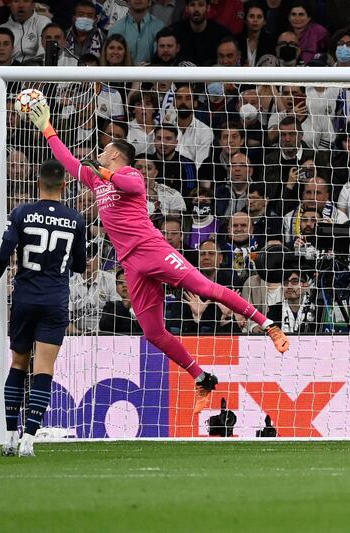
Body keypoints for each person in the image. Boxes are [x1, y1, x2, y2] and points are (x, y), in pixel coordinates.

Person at [28, 101, 290, 415]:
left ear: (115, 154)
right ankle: (202, 376)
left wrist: (100, 170)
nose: (99, 153)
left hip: (154, 250)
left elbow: (124, 183)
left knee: (207, 288)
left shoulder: (130, 175)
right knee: (152, 332)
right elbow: (68, 161)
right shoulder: (98, 179)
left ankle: (268, 324)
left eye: (104, 150)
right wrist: (47, 128)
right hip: (131, 264)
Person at [0, 160, 87, 457]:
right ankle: (29, 441)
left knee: (18, 364)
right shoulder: (75, 219)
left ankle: (9, 436)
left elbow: (2, 257)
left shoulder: (21, 213)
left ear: (38, 183)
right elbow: (80, 265)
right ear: (64, 185)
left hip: (24, 298)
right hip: (55, 300)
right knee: (44, 369)